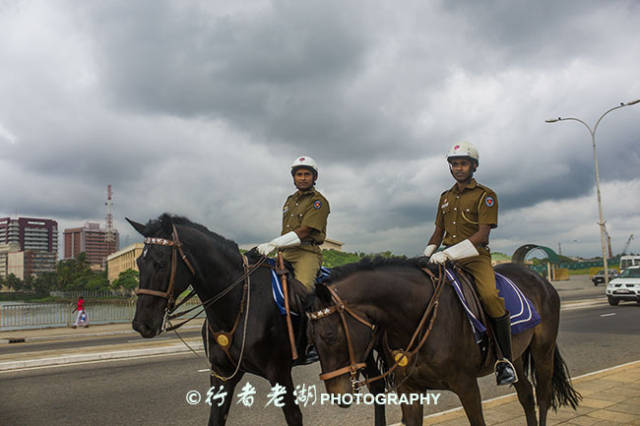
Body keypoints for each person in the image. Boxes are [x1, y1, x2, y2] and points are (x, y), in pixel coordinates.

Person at [423, 141, 516, 385]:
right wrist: (427, 253)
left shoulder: (486, 196)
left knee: (489, 296)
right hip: (446, 256)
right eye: (454, 164)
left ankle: (505, 361)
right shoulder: (445, 197)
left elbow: (482, 235)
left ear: (473, 166)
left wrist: (449, 254)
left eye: (463, 163)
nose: (458, 168)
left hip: (475, 257)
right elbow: (438, 232)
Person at [257, 156, 330, 291]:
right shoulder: (290, 200)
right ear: (294, 177)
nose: (303, 178)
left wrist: (274, 243)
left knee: (304, 290)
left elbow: (305, 230)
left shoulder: (318, 202)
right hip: (284, 252)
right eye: (299, 174)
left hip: (305, 253)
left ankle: (310, 312)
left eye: (307, 174)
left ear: (315, 177)